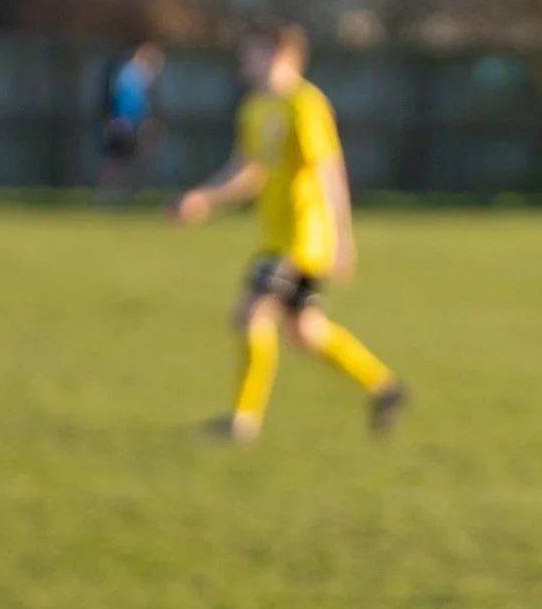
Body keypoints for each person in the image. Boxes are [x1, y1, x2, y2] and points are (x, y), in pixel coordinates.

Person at [172, 24, 405, 442]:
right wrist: (204, 198)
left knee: (251, 312)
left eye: (253, 52)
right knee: (305, 332)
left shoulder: (305, 104)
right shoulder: (254, 108)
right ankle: (384, 387)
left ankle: (242, 422)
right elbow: (249, 172)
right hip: (275, 235)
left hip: (303, 236)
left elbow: (328, 170)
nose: (244, 60)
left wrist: (342, 236)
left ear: (279, 55)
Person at [99, 40, 166, 198]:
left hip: (123, 124)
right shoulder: (133, 74)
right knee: (119, 162)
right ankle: (112, 195)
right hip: (124, 124)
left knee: (123, 161)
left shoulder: (128, 72)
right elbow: (130, 103)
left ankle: (120, 195)